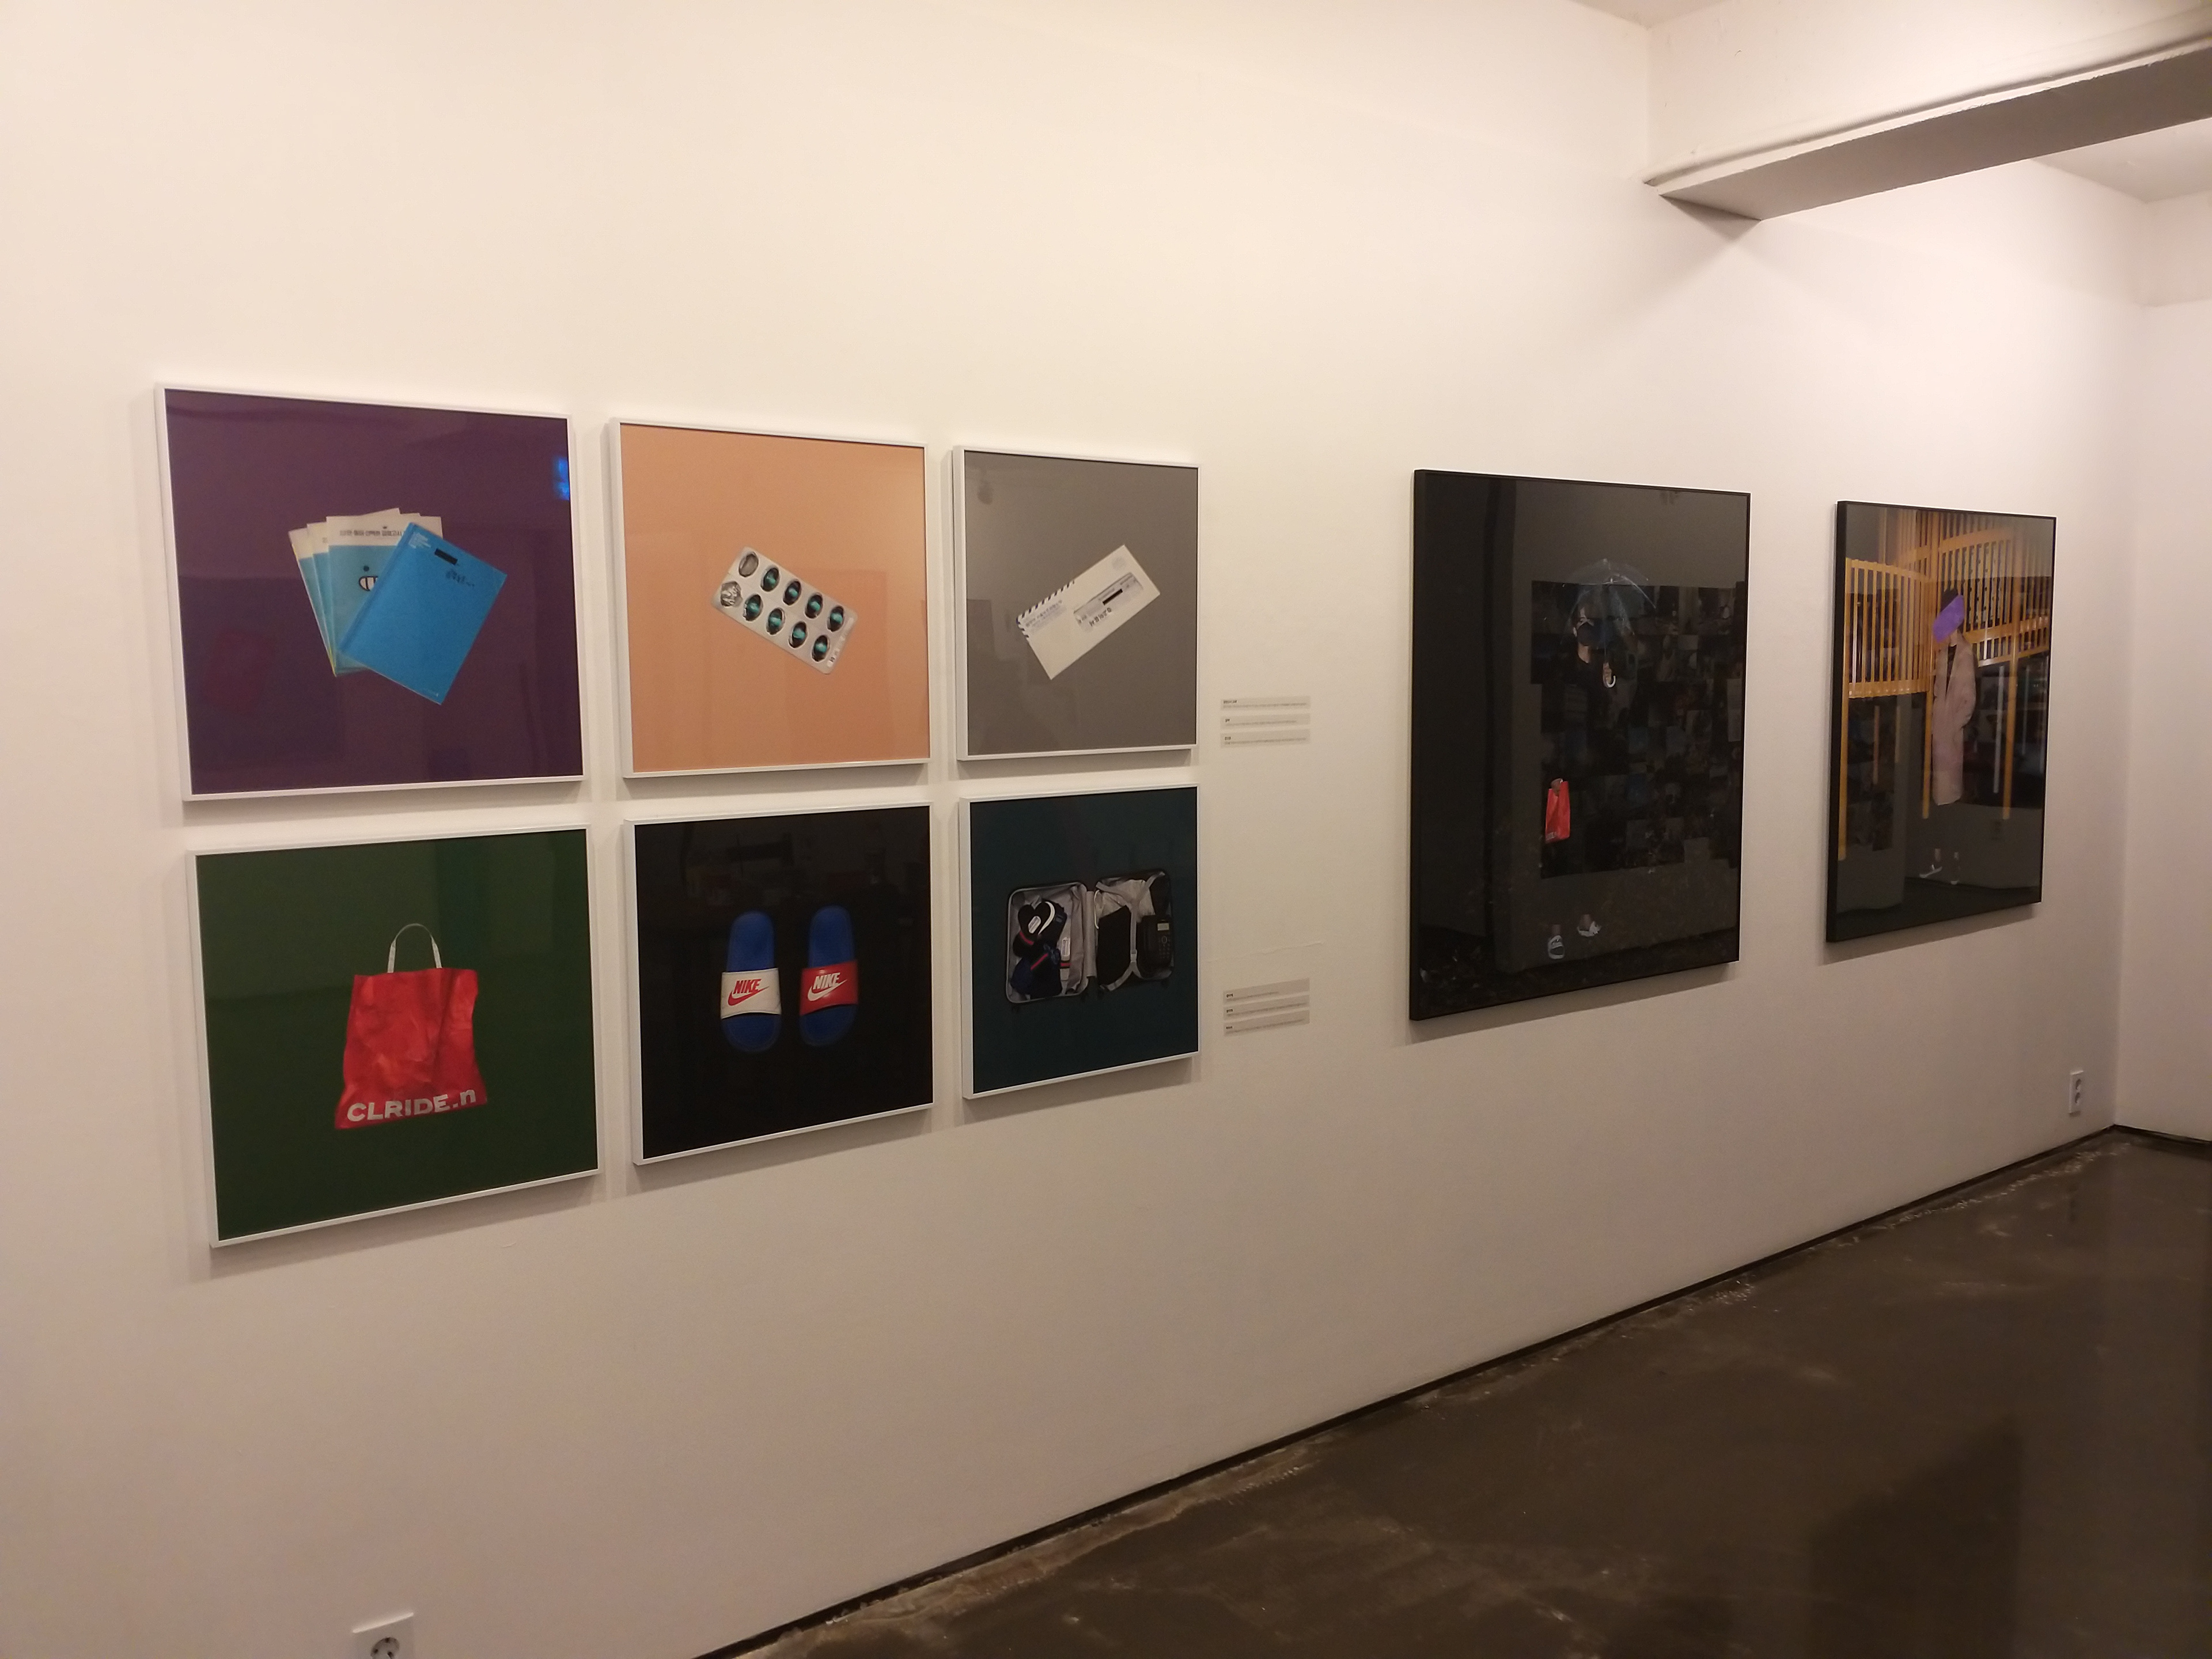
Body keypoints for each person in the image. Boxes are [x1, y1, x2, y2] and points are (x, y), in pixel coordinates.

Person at [1921, 594, 1977, 881]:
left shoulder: (1966, 654)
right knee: (1939, 801)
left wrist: (1954, 728)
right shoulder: (1943, 654)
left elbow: (1969, 701)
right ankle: (1939, 859)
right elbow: (1936, 693)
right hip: (1939, 737)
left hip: (1951, 739)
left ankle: (1952, 861)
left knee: (1950, 802)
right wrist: (1936, 725)